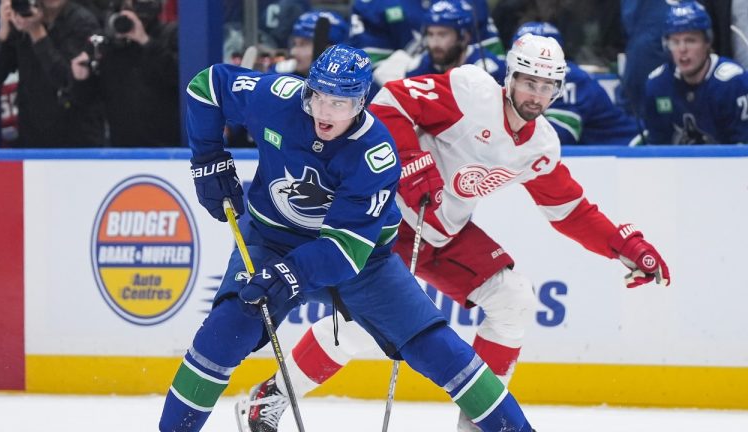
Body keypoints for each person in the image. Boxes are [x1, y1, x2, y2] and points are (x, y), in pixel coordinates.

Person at [239, 34, 671, 432]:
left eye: (547, 87)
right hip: (383, 221)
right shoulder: (470, 92)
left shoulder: (540, 146)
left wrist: (625, 246)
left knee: (512, 297)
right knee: (360, 327)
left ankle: (479, 422)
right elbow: (390, 103)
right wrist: (412, 161)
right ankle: (270, 396)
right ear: (510, 78)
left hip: (442, 232)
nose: (536, 96)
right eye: (529, 83)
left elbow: (569, 210)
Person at [158, 44, 536, 432]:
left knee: (439, 350)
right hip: (270, 241)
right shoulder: (278, 99)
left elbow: (344, 253)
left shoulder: (375, 154)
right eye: (318, 95)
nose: (323, 110)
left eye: (339, 103)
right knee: (225, 330)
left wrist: (289, 275)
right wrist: (206, 158)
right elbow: (208, 86)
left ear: (360, 103)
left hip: (363, 263)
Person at [0, 0, 104, 147]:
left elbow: (70, 84)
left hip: (77, 138)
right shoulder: (23, 22)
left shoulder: (83, 22)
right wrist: (3, 31)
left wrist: (37, 34)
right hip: (32, 136)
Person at [70, 0, 180, 147]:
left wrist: (145, 42)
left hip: (169, 148)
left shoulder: (171, 35)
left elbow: (179, 78)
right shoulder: (106, 45)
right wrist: (81, 80)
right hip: (121, 150)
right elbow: (86, 103)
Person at [512, 21, 639, 145]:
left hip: (629, 151)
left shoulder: (569, 78)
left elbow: (558, 136)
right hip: (603, 157)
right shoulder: (515, 77)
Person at [643, 1, 748, 144]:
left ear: (707, 42)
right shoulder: (658, 84)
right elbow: (656, 147)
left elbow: (742, 151)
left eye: (690, 40)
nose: (682, 49)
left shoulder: (734, 83)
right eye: (675, 42)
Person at [349, 0, 502, 65]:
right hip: (402, 99)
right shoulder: (372, 5)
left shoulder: (472, 3)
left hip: (465, 97)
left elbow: (494, 61)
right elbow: (370, 66)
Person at [404, 0, 506, 84]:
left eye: (442, 34)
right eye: (430, 34)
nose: (434, 43)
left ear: (464, 37)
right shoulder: (417, 68)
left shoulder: (486, 70)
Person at [270, 10, 349, 77]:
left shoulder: (351, 85)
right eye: (294, 43)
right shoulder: (281, 72)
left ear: (331, 49)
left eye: (303, 44)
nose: (293, 52)